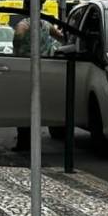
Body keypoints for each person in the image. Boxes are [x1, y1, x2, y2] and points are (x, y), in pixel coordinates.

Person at [10, 11, 65, 152]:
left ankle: (24, 141)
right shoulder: (46, 24)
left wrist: (17, 53)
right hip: (46, 68)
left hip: (25, 69)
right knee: (42, 103)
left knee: (24, 106)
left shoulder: (23, 24)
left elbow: (17, 39)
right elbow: (60, 37)